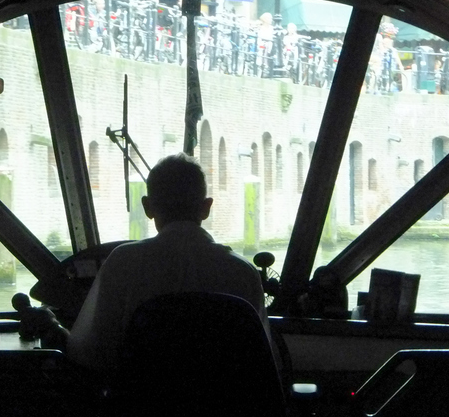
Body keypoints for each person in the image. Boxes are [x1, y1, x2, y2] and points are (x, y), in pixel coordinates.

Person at [19, 154, 271, 372]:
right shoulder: (244, 273)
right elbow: (264, 363)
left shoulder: (123, 263)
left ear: (148, 207)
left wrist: (51, 327)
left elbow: (89, 356)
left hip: (141, 413)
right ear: (206, 208)